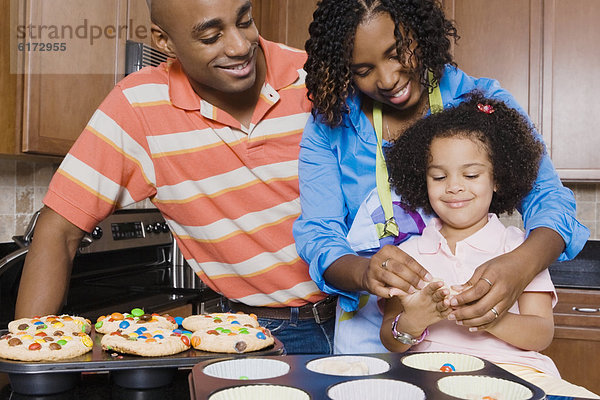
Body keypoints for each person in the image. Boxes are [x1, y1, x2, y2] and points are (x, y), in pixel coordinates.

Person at [14, 0, 336, 355]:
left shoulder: (317, 76)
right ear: (164, 41)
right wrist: (30, 355)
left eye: (245, 22)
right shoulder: (137, 108)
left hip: (366, 315)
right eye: (211, 36)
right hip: (256, 332)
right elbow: (58, 230)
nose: (240, 46)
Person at [293, 0, 588, 354]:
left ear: (422, 34)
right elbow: (319, 234)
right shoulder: (331, 124)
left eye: (397, 52)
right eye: (363, 69)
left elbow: (548, 198)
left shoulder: (479, 100)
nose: (387, 80)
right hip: (369, 334)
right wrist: (364, 273)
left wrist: (521, 266)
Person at [379, 93, 598, 398]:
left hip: (515, 374)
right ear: (422, 180)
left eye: (471, 174)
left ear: (497, 179)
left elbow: (541, 333)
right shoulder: (409, 253)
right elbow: (391, 339)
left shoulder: (519, 249)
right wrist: (413, 321)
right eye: (439, 176)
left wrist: (490, 319)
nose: (454, 186)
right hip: (430, 376)